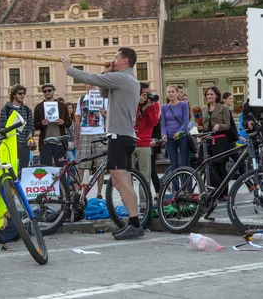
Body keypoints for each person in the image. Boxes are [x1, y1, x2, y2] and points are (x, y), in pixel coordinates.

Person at [61, 47, 143, 240]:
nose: (113, 59)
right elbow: (105, 93)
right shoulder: (128, 79)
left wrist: (69, 69)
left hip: (119, 136)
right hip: (125, 136)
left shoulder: (122, 78)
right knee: (120, 181)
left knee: (121, 181)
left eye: (116, 57)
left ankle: (135, 223)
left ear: (124, 61)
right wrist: (108, 71)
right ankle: (133, 222)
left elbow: (93, 79)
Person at [75, 84, 108, 199]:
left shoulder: (103, 99)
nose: (91, 86)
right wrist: (76, 136)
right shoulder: (81, 99)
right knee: (81, 165)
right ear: (85, 85)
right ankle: (77, 192)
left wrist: (103, 114)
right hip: (85, 134)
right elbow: (78, 120)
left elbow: (108, 116)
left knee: (100, 166)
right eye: (88, 83)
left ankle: (99, 193)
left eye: (93, 83)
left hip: (99, 133)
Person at [199, 87, 231, 192]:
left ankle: (224, 191)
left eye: (211, 94)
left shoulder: (223, 108)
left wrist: (218, 126)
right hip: (207, 140)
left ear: (216, 95)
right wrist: (200, 128)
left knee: (221, 166)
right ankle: (215, 190)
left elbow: (227, 125)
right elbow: (203, 125)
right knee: (210, 166)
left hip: (220, 140)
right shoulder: (203, 109)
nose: (209, 96)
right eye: (207, 94)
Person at [133, 82, 160, 210]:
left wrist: (150, 107)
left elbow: (154, 122)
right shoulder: (132, 102)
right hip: (130, 141)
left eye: (149, 92)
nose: (148, 96)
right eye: (145, 93)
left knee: (145, 175)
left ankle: (144, 203)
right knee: (127, 175)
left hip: (144, 142)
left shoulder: (155, 105)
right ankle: (129, 202)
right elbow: (130, 118)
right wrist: (138, 103)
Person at [33, 84, 71, 167]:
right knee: (46, 169)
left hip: (59, 143)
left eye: (49, 90)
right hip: (45, 143)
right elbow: (35, 125)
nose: (47, 92)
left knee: (61, 169)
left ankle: (62, 180)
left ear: (53, 91)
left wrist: (63, 122)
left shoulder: (62, 106)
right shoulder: (39, 107)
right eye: (45, 91)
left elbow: (69, 123)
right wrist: (41, 123)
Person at [0, 84, 35, 170]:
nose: (22, 95)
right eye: (20, 93)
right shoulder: (6, 109)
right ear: (14, 95)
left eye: (23, 93)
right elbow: (2, 125)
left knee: (24, 170)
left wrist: (30, 134)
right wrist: (12, 125)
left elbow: (30, 125)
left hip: (23, 144)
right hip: (10, 144)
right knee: (10, 170)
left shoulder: (27, 110)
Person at [161, 85, 190, 182]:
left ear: (177, 93)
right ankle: (175, 189)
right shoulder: (164, 107)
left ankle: (187, 189)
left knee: (184, 163)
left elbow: (185, 122)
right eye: (169, 92)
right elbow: (163, 124)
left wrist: (178, 133)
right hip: (169, 139)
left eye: (173, 92)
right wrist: (164, 134)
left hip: (181, 137)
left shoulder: (183, 105)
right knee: (173, 164)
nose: (170, 94)